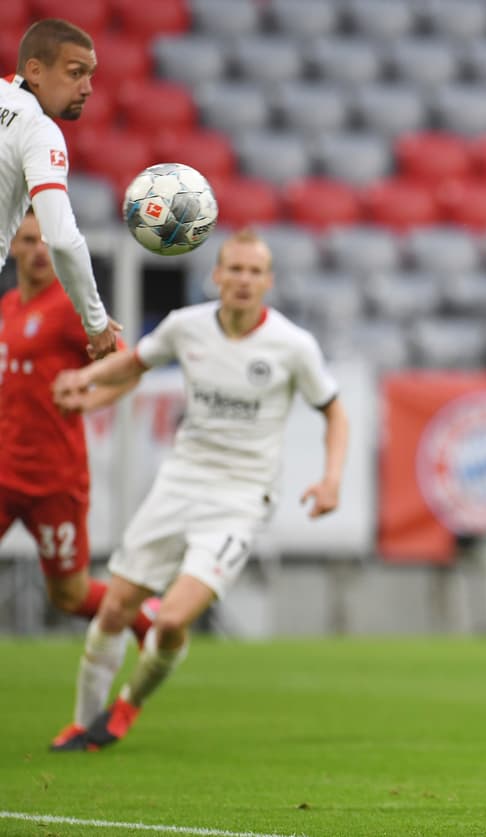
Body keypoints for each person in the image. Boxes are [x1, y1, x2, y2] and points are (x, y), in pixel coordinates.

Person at [46, 228, 350, 751]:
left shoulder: (292, 345)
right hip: (180, 481)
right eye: (234, 269)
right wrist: (86, 381)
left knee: (170, 620)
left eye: (254, 272)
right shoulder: (186, 328)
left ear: (268, 282)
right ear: (216, 275)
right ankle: (81, 721)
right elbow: (135, 361)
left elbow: (335, 412)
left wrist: (331, 480)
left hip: (239, 498)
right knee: (115, 608)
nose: (243, 280)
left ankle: (127, 707)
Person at [0, 209, 153, 640]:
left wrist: (87, 401)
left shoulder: (72, 309)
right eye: (28, 241)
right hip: (5, 471)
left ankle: (147, 620)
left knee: (69, 595)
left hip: (54, 479)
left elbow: (129, 368)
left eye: (46, 241)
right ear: (12, 245)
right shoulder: (9, 305)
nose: (38, 251)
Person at [2, 18, 120, 359]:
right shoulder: (38, 129)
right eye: (74, 73)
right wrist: (95, 322)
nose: (88, 88)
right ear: (35, 71)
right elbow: (62, 239)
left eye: (90, 75)